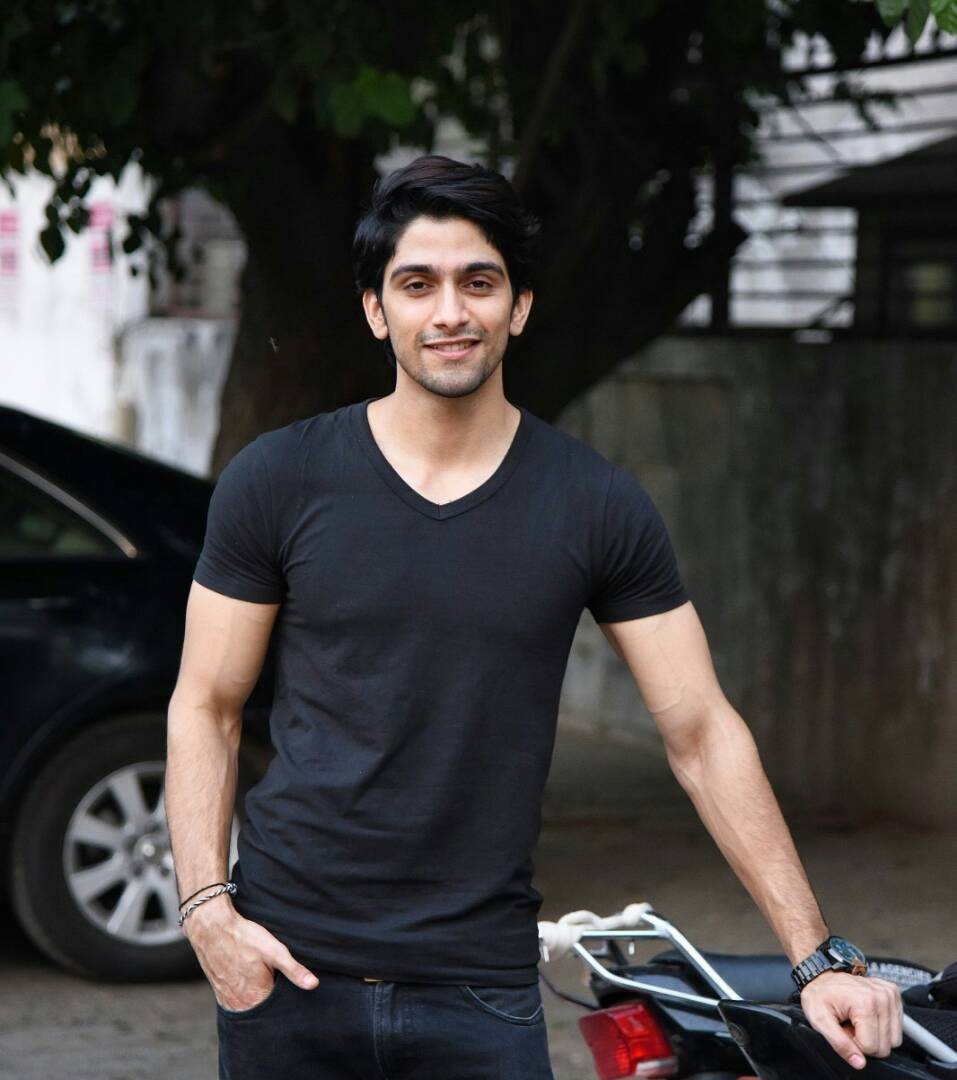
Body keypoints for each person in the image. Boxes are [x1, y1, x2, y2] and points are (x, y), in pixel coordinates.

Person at [165, 155, 903, 1080]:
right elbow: (206, 705)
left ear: (517, 306)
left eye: (478, 283)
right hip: (286, 975)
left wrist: (816, 956)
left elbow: (702, 733)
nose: (449, 312)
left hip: (479, 990)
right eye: (417, 285)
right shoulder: (277, 480)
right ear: (375, 310)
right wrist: (207, 913)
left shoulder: (594, 505)